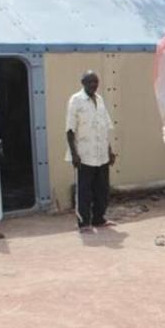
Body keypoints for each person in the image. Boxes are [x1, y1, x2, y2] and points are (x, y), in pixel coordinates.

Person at [65, 70, 117, 233]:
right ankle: (83, 222)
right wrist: (74, 154)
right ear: (83, 83)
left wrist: (109, 151)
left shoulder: (100, 100)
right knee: (84, 190)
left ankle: (99, 219)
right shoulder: (76, 100)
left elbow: (104, 128)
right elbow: (70, 130)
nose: (93, 85)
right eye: (90, 82)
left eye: (96, 82)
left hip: (101, 153)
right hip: (84, 154)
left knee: (102, 189)